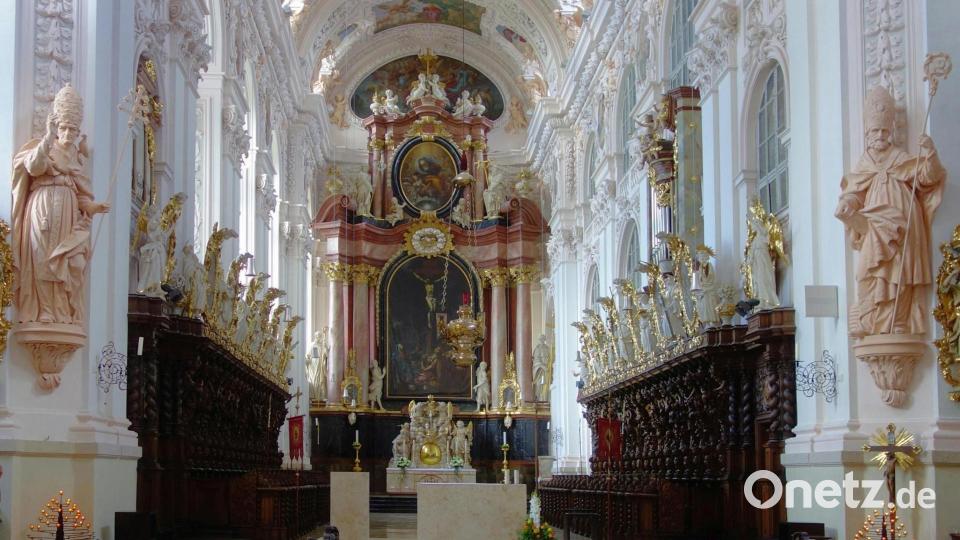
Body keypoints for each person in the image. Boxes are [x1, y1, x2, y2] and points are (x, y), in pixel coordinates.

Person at [835, 86, 946, 337]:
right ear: (867, 132)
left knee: (901, 271)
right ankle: (872, 321)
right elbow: (855, 190)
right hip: (875, 222)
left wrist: (930, 153)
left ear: (891, 130)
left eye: (885, 130)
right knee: (867, 271)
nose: (881, 135)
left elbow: (929, 177)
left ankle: (898, 322)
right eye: (876, 130)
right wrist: (848, 204)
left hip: (905, 222)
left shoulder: (901, 157)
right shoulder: (864, 163)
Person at [12, 84, 110, 325]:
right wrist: (47, 137)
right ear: (56, 128)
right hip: (42, 207)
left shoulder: (76, 157)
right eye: (64, 128)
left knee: (68, 260)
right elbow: (33, 167)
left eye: (73, 130)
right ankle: (44, 310)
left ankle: (61, 310)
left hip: (67, 211)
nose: (68, 134)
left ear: (78, 133)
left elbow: (81, 195)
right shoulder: (45, 148)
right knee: (41, 259)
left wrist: (93, 208)